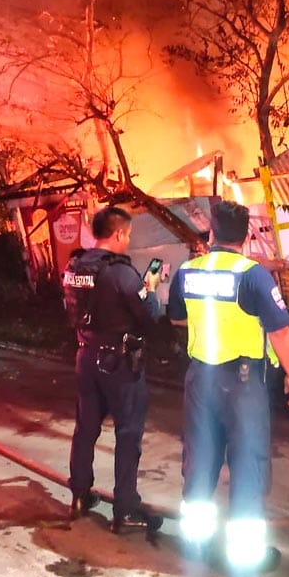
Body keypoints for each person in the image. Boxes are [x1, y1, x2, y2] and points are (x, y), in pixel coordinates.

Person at [167, 200, 289, 572]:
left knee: (199, 459)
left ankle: (194, 542)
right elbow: (279, 330)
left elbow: (178, 319)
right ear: (245, 237)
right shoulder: (252, 275)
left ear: (211, 233)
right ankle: (243, 557)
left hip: (199, 379)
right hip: (241, 383)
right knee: (248, 462)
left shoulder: (188, 272)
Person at [62, 206, 162, 533]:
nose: (128, 241)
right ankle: (125, 511)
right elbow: (148, 316)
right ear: (118, 234)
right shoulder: (121, 272)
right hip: (118, 363)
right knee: (128, 433)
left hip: (85, 356)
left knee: (86, 428)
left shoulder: (75, 265)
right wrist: (152, 289)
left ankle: (79, 496)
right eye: (129, 235)